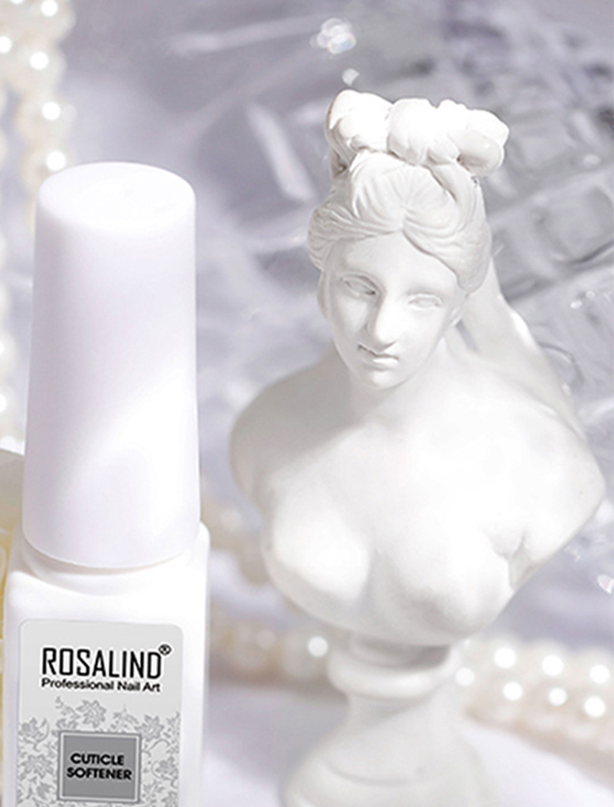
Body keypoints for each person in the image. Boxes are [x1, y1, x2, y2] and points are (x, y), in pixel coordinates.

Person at [231, 90, 604, 651]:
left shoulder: (542, 465)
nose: (382, 329)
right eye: (361, 288)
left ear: (458, 308)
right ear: (323, 287)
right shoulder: (266, 428)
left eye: (422, 299)